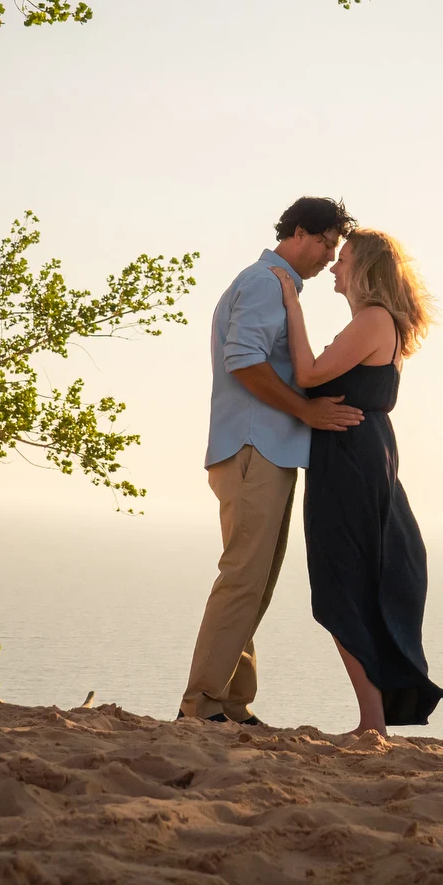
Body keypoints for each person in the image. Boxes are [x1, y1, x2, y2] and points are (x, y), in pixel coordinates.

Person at [177, 197, 365, 725]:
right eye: (327, 243)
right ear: (300, 232)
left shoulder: (275, 284)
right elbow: (243, 361)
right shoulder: (264, 282)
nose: (330, 256)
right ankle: (201, 707)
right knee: (243, 578)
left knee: (254, 582)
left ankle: (231, 704)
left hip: (265, 451)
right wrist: (306, 410)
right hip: (252, 449)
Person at [271, 227, 443, 736]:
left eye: (343, 258)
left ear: (365, 268)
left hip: (351, 459)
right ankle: (373, 720)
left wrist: (292, 305)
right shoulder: (375, 321)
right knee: (349, 580)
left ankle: (372, 722)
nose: (334, 265)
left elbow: (307, 374)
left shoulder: (373, 319)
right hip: (357, 453)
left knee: (341, 583)